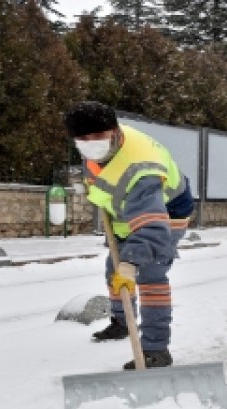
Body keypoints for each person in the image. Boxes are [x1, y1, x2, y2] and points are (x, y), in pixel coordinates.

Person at [64, 101, 194, 369]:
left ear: (114, 131)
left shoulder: (141, 168)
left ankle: (156, 349)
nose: (90, 143)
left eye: (97, 136)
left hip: (166, 213)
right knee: (115, 268)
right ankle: (123, 322)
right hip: (126, 213)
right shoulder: (97, 149)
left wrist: (132, 262)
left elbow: (152, 230)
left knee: (150, 275)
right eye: (83, 139)